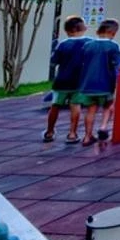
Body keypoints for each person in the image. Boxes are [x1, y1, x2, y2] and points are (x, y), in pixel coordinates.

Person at [75, 19, 120, 146]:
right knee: (108, 106)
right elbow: (117, 65)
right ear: (113, 33)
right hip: (105, 83)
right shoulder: (113, 46)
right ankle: (103, 126)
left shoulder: (87, 45)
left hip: (88, 84)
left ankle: (87, 137)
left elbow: (81, 62)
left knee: (91, 110)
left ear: (97, 31)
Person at [44, 16, 90, 144]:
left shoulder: (63, 44)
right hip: (79, 81)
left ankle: (49, 132)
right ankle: (72, 133)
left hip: (62, 81)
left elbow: (54, 61)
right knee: (75, 105)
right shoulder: (89, 43)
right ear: (82, 28)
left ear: (67, 30)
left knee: (55, 106)